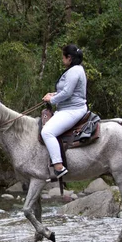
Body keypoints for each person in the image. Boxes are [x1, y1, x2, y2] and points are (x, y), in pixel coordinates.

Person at [41, 44, 87, 179]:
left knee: (47, 132)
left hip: (72, 110)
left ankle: (58, 166)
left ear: (69, 58)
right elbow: (67, 90)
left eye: (63, 57)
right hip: (68, 108)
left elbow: (67, 92)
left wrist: (52, 100)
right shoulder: (76, 70)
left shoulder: (74, 71)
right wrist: (53, 94)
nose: (62, 59)